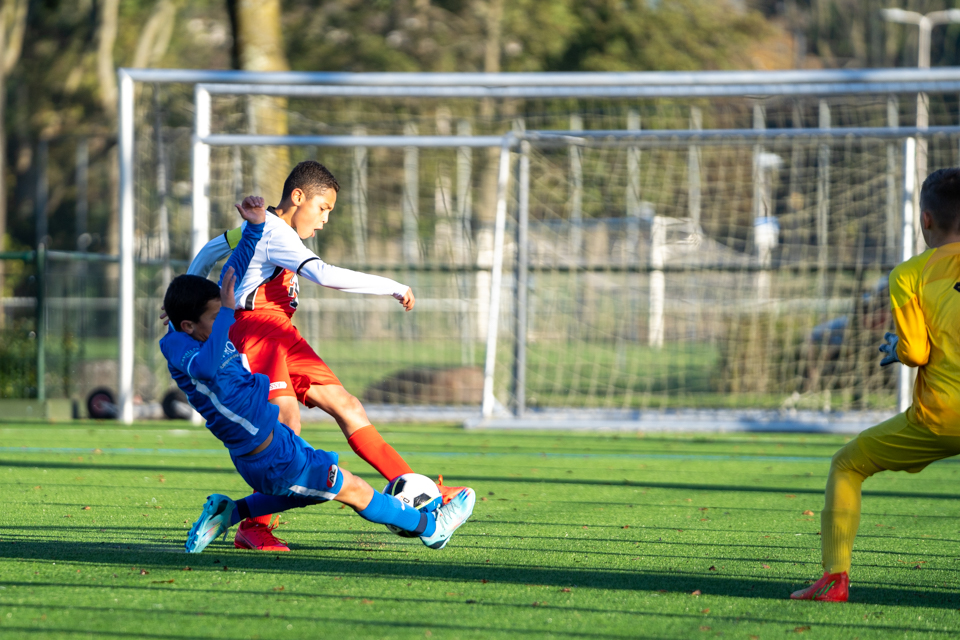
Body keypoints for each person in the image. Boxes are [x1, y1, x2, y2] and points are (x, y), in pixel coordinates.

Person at [160, 196, 475, 554]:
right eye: (323, 207)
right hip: (256, 333)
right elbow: (323, 274)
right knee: (302, 445)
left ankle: (412, 487)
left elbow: (218, 252)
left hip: (279, 335)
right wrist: (394, 286)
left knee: (346, 408)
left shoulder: (261, 232)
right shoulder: (270, 241)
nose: (325, 219)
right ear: (299, 198)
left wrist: (179, 303)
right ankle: (429, 526)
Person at [791, 168, 960, 602]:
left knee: (847, 464)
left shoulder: (909, 275)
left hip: (943, 416)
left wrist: (896, 347)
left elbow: (918, 353)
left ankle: (835, 580)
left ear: (925, 220)